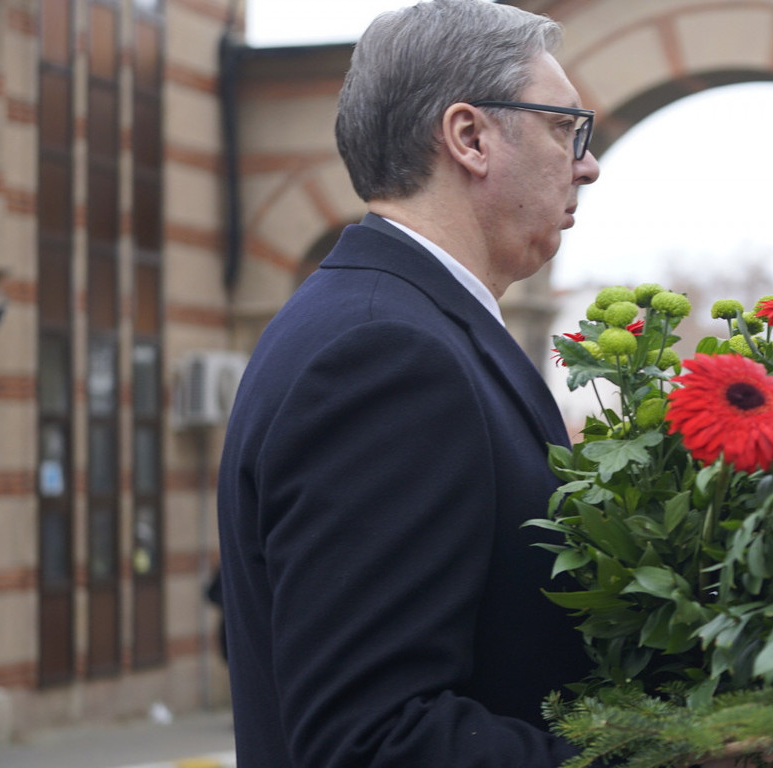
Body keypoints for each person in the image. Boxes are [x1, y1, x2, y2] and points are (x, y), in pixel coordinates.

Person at [215, 2, 601, 766]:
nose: (587, 163)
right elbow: (373, 743)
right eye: (565, 127)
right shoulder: (386, 353)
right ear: (470, 138)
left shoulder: (393, 322)